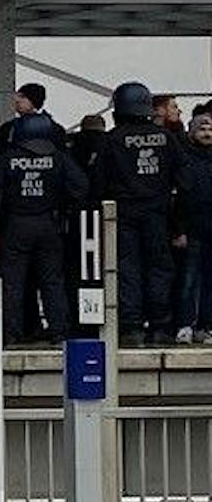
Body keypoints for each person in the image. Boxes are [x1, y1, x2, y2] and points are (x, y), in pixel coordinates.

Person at [92, 81, 182, 346]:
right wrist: (179, 224)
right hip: (159, 212)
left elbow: (97, 183)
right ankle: (160, 327)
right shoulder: (167, 138)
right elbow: (184, 180)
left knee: (127, 269)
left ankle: (131, 328)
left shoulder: (111, 140)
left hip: (123, 213)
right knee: (160, 269)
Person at [0, 111, 88, 344]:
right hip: (47, 224)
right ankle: (59, 332)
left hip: (16, 223)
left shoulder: (8, 158)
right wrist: (63, 207)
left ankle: (11, 334)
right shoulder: (59, 157)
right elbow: (80, 187)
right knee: (52, 281)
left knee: (13, 283)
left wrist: (1, 217)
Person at [176, 109, 212, 345]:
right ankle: (185, 324)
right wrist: (179, 230)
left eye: (210, 129)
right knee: (189, 279)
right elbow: (178, 198)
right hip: (192, 228)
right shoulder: (183, 158)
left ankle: (207, 325)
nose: (207, 133)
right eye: (202, 128)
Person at [0, 83, 65, 169]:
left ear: (33, 100)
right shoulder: (55, 128)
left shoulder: (9, 128)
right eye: (17, 96)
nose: (17, 100)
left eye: (23, 97)